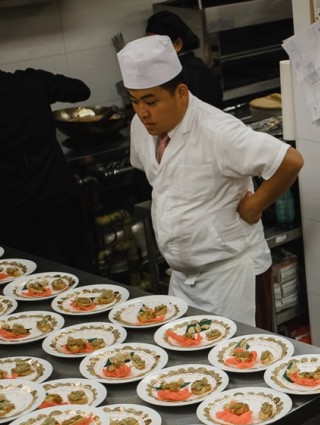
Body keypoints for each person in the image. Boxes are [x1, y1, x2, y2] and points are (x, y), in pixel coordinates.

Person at [118, 35, 303, 327]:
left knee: (245, 364)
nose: (142, 112)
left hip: (232, 278)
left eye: (151, 101)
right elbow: (164, 180)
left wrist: (255, 205)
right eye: (134, 101)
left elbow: (290, 161)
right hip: (182, 280)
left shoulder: (218, 130)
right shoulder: (141, 127)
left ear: (180, 93)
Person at [0, 27, 95, 272]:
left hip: (14, 208)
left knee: (29, 278)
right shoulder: (31, 81)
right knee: (80, 268)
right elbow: (81, 90)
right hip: (60, 196)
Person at [145, 10, 222, 108]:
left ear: (177, 44)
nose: (149, 50)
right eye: (147, 43)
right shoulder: (176, 69)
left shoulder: (190, 72)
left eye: (156, 44)